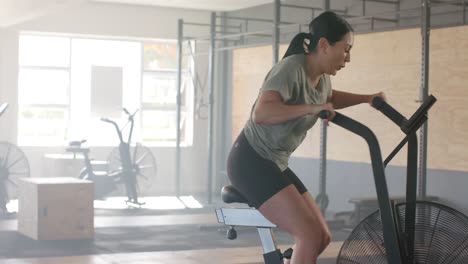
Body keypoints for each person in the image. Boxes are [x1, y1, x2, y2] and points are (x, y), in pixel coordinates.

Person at [226, 11, 385, 264]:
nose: (349, 58)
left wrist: (367, 99)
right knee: (309, 236)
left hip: (274, 162)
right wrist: (311, 109)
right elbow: (262, 113)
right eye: (345, 49)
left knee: (322, 237)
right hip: (251, 161)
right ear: (324, 45)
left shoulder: (321, 79)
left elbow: (329, 99)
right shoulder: (291, 68)